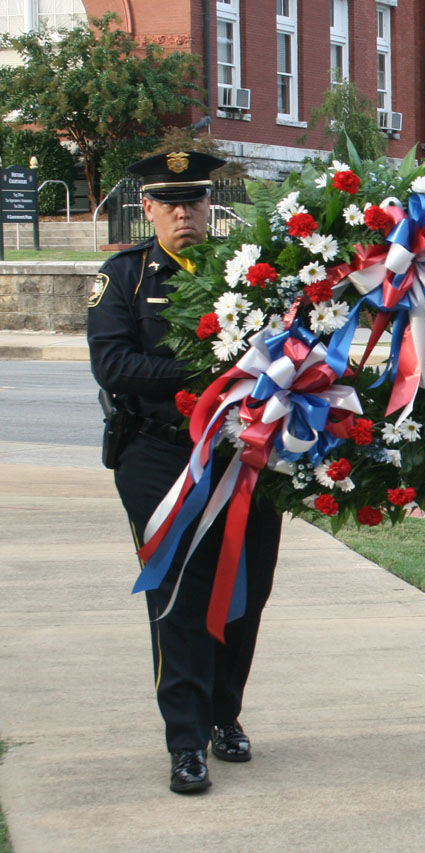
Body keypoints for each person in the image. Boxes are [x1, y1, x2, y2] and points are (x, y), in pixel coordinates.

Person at [87, 151, 283, 793]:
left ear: (209, 206)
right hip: (160, 454)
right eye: (168, 202)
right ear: (146, 207)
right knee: (177, 597)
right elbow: (114, 365)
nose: (182, 212)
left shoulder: (248, 275)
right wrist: (212, 373)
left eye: (194, 200)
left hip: (244, 455)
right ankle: (186, 740)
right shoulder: (124, 278)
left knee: (244, 591)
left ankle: (225, 715)